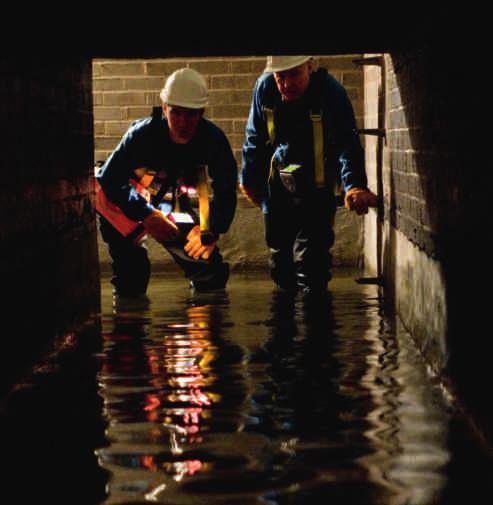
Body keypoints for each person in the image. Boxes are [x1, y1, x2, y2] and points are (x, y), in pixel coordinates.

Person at [240, 56, 377, 294]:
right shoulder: (265, 88)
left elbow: (347, 142)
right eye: (280, 76)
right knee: (280, 263)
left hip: (317, 185)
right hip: (280, 182)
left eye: (294, 75)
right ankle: (283, 325)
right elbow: (254, 138)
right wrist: (250, 181)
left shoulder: (330, 92)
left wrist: (354, 185)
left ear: (310, 66)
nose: (286, 84)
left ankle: (316, 323)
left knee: (313, 266)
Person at [96, 67, 237, 297]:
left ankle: (205, 325)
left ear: (202, 112)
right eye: (176, 113)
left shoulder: (213, 140)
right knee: (131, 276)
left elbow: (225, 188)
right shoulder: (141, 134)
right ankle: (128, 319)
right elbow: (109, 178)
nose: (183, 122)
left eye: (191, 114)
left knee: (209, 270)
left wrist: (211, 230)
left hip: (168, 204)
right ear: (164, 108)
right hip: (124, 202)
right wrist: (145, 214)